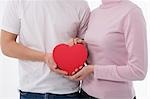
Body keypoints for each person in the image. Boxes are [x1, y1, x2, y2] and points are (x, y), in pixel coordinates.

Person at [0, 0, 90, 99]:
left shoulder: (80, 4)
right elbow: (6, 45)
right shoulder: (18, 2)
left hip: (68, 91)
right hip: (31, 91)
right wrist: (45, 57)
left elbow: (86, 48)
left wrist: (78, 44)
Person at [67, 0, 148, 99]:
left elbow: (138, 71)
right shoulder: (95, 13)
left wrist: (93, 70)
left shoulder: (131, 12)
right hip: (84, 93)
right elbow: (100, 54)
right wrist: (81, 46)